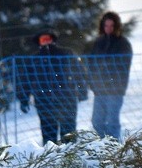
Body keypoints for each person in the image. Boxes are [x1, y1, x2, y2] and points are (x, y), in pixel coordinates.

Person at [16, 29, 87, 145]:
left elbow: (79, 72)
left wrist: (82, 90)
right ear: (39, 42)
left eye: (48, 39)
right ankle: (51, 161)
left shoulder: (66, 54)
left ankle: (70, 161)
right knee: (49, 138)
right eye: (43, 39)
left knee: (68, 136)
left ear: (53, 39)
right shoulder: (33, 60)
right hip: (44, 102)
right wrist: (24, 99)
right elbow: (26, 80)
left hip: (67, 99)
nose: (46, 42)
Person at [86, 11, 133, 140]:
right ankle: (103, 148)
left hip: (115, 90)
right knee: (97, 122)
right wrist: (92, 83)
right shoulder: (98, 42)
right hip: (99, 90)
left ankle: (114, 150)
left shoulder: (123, 43)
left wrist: (110, 73)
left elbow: (124, 66)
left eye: (111, 26)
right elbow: (91, 63)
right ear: (102, 26)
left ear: (116, 26)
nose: (109, 28)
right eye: (106, 25)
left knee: (112, 123)